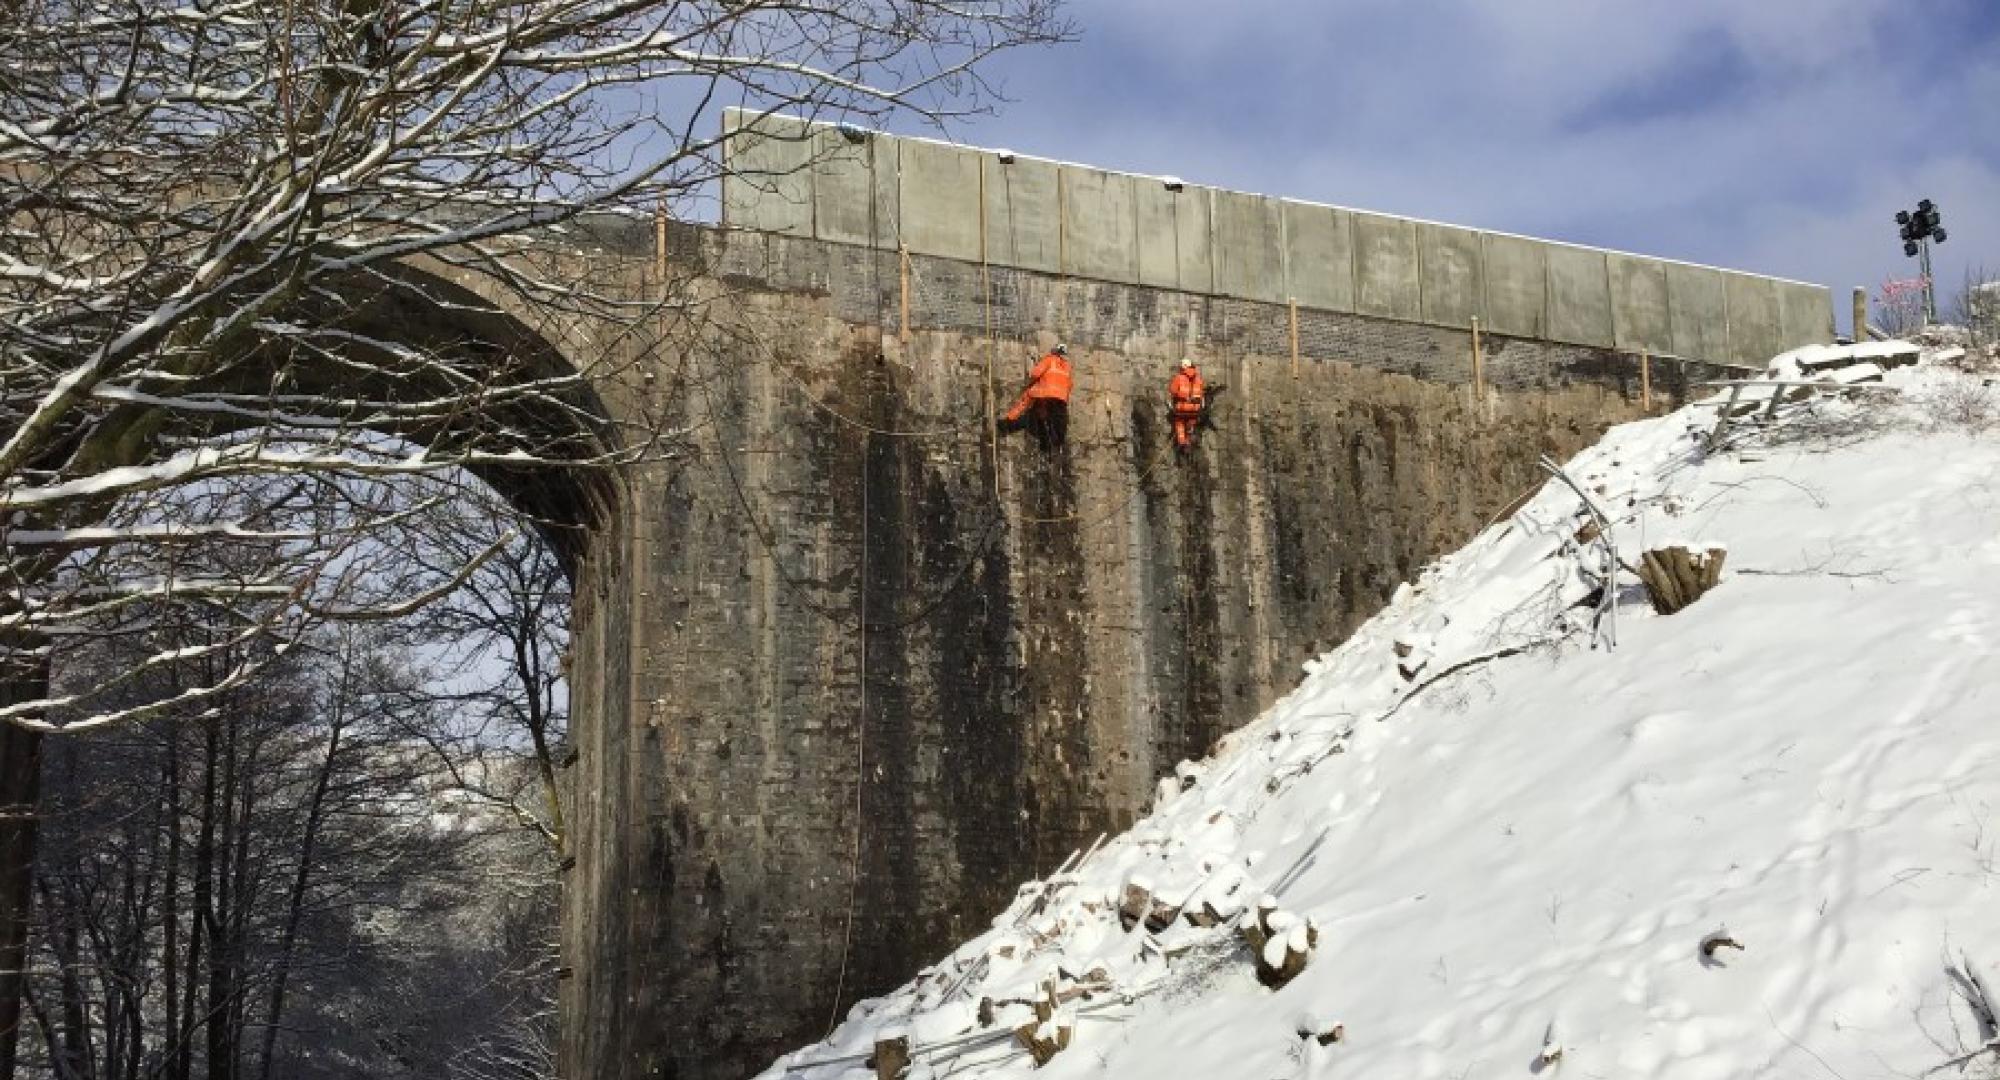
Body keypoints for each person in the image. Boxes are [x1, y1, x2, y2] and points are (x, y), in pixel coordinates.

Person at [1004, 343, 1072, 450]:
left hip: (1045, 396)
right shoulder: (1067, 367)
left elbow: (1035, 374)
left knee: (1035, 413)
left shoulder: (1049, 360)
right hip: (1061, 399)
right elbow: (1069, 385)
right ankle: (1055, 443)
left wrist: (1030, 383)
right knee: (1054, 421)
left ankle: (1007, 425)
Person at [1167, 357, 1206, 454]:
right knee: (1190, 424)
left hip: (1182, 407)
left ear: (1182, 367)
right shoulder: (1199, 379)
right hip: (1195, 409)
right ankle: (1188, 442)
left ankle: (1182, 443)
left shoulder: (1178, 377)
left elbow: (1173, 391)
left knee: (1179, 422)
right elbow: (1201, 394)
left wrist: (1172, 403)